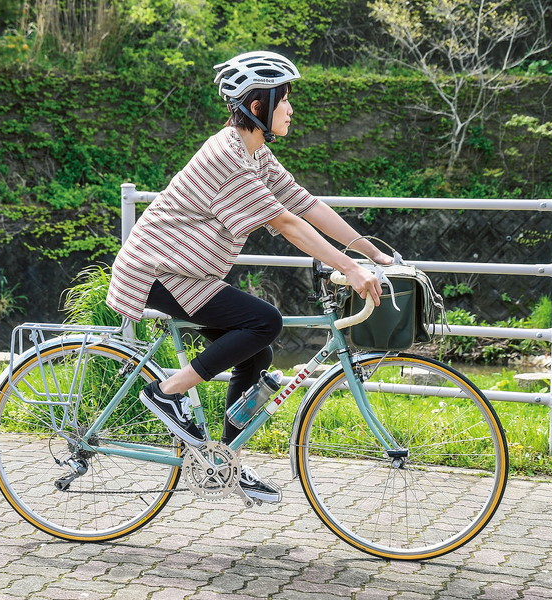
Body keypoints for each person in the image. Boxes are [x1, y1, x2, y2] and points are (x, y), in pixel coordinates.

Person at [106, 50, 393, 502]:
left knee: (255, 356)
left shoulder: (254, 153)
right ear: (258, 107)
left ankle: (220, 460)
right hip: (157, 272)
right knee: (265, 322)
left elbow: (305, 204)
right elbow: (287, 224)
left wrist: (369, 250)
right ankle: (166, 391)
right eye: (284, 99)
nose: (291, 109)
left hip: (187, 272)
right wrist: (350, 268)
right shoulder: (227, 156)